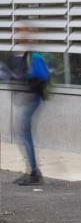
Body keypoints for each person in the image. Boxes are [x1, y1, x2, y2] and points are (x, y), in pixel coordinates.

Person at [11, 26, 49, 186]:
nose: (18, 36)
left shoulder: (34, 55)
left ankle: (34, 172)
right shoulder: (27, 54)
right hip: (30, 97)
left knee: (24, 133)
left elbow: (41, 75)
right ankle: (32, 170)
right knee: (23, 133)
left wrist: (23, 78)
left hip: (33, 98)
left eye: (21, 32)